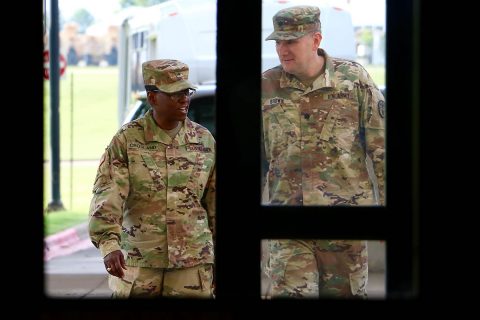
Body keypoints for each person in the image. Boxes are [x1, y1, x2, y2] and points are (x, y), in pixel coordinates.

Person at [261, 6, 385, 299]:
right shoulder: (266, 87)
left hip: (344, 224)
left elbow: (382, 150)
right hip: (287, 222)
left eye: (290, 41)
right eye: (278, 41)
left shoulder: (354, 80)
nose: (282, 49)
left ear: (316, 39)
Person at [88, 59, 216, 298]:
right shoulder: (127, 140)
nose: (183, 99)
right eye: (174, 93)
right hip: (139, 264)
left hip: (192, 265)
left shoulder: (204, 141)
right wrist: (109, 245)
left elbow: (214, 204)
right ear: (153, 97)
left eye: (186, 92)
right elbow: (107, 195)